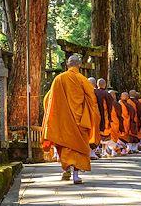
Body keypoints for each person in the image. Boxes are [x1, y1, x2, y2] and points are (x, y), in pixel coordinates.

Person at [42, 55, 100, 184]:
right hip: (80, 120)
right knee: (78, 148)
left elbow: (48, 100)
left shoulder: (58, 79)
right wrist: (91, 116)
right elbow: (92, 100)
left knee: (65, 145)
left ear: (67, 64)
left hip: (63, 121)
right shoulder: (83, 80)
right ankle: (76, 175)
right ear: (79, 65)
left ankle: (66, 169)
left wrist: (55, 115)